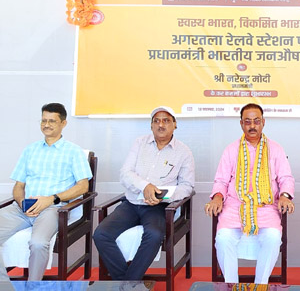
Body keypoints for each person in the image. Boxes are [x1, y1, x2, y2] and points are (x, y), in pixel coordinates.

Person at [93, 106, 195, 280]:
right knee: (101, 234)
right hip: (132, 203)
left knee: (154, 235)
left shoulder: (183, 152)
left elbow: (187, 186)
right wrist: (145, 186)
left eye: (166, 120)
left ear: (175, 125)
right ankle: (128, 283)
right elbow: (125, 173)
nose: (161, 125)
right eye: (156, 121)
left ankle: (127, 283)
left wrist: (162, 195)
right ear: (151, 125)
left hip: (159, 207)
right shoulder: (140, 143)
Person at [0, 103, 92, 281]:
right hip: (23, 208)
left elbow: (83, 187)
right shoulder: (30, 150)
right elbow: (18, 186)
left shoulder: (73, 152)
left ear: (63, 123)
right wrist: (22, 202)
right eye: (43, 120)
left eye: (52, 121)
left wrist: (51, 199)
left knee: (38, 243)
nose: (46, 125)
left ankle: (33, 286)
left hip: (52, 209)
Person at [206, 103, 295, 284]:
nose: (252, 126)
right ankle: (231, 286)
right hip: (235, 208)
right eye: (248, 122)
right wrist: (217, 197)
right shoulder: (231, 149)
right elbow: (221, 180)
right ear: (241, 124)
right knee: (223, 238)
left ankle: (260, 285)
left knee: (273, 238)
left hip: (266, 208)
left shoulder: (275, 149)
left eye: (256, 121)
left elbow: (286, 178)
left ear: (263, 122)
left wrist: (285, 196)